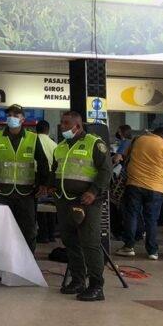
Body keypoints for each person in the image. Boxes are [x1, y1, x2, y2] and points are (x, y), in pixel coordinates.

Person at [51, 111, 112, 302]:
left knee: (90, 243)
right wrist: (52, 187)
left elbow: (106, 170)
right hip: (64, 201)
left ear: (77, 126)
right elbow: (56, 170)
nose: (62, 126)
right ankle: (78, 280)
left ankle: (96, 286)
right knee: (70, 242)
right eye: (61, 122)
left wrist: (93, 192)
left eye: (66, 123)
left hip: (87, 202)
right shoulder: (60, 147)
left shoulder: (95, 143)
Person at [0, 104, 51, 252]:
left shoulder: (32, 138)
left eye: (16, 115)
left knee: (28, 232)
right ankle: (2, 269)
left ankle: (27, 267)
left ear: (22, 119)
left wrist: (43, 185)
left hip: (26, 194)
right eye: (9, 115)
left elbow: (43, 162)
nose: (11, 118)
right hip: (3, 193)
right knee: (2, 232)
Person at [114, 133, 163, 260]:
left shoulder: (138, 139)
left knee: (132, 215)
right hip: (156, 188)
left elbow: (123, 156)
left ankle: (128, 247)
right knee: (151, 220)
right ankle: (152, 251)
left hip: (134, 184)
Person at [35, 119, 59, 244]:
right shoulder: (54, 144)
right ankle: (52, 234)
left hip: (38, 175)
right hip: (52, 176)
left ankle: (43, 234)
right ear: (48, 130)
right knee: (50, 206)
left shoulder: (33, 141)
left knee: (40, 207)